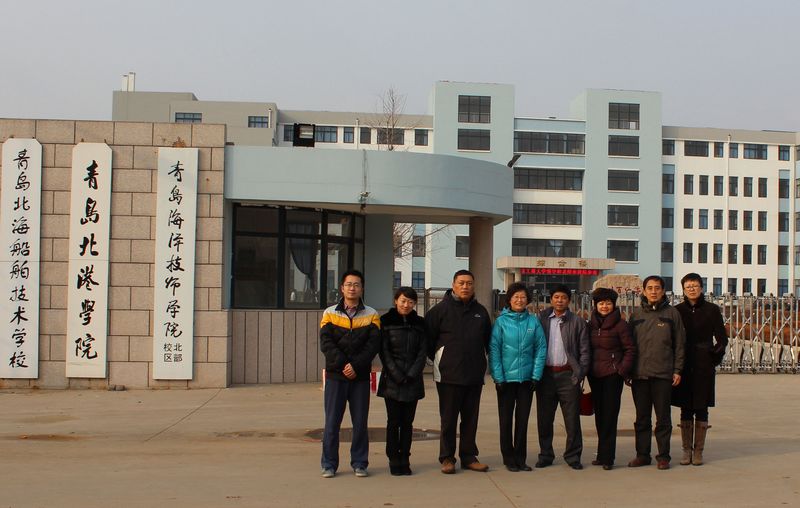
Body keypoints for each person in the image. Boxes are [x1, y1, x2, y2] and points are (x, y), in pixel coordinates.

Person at [426, 270, 493, 474]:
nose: (465, 287)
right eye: (461, 283)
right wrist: (441, 359)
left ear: (474, 286)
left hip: (473, 374)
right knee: (448, 419)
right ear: (453, 284)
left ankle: (469, 456)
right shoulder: (439, 311)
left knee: (470, 419)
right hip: (448, 374)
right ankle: (447, 458)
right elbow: (428, 341)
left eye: (469, 283)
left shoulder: (481, 312)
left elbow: (487, 341)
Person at [319, 270, 381, 478]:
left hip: (360, 378)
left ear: (362, 288)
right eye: (348, 284)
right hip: (336, 377)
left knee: (360, 423)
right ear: (342, 288)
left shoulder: (371, 314)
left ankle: (360, 463)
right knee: (331, 423)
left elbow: (372, 346)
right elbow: (326, 344)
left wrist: (355, 366)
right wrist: (344, 365)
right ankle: (329, 464)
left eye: (356, 284)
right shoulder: (329, 313)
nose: (352, 288)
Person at [627, 275, 686, 470]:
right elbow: (629, 346)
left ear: (663, 291)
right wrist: (628, 370)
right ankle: (642, 455)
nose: (653, 291)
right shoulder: (636, 315)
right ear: (643, 291)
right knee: (642, 419)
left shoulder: (672, 314)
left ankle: (663, 456)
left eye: (657, 288)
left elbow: (680, 344)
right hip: (640, 375)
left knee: (663, 419)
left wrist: (677, 369)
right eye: (650, 288)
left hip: (663, 374)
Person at [489, 282, 547, 472]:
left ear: (527, 300)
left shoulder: (533, 322)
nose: (520, 300)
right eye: (516, 297)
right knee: (505, 421)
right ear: (509, 300)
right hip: (506, 381)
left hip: (526, 381)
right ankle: (508, 458)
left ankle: (521, 459)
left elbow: (541, 349)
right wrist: (498, 378)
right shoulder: (501, 322)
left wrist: (536, 376)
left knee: (522, 421)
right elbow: (494, 350)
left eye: (523, 297)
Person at [673, 273, 728, 466]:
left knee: (702, 407)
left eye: (695, 286)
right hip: (684, 363)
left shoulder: (712, 310)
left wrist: (712, 358)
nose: (692, 289)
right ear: (683, 289)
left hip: (704, 364)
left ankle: (698, 451)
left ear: (701, 288)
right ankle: (686, 450)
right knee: (685, 408)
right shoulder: (677, 311)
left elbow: (722, 339)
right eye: (688, 286)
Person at [535, 285, 590, 470]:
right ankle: (545, 454)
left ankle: (573, 456)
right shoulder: (541, 319)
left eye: (564, 297)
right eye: (556, 297)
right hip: (546, 375)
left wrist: (579, 373)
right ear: (551, 299)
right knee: (544, 419)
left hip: (568, 376)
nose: (560, 300)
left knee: (572, 419)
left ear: (569, 301)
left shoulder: (577, 321)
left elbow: (584, 351)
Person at [377, 287, 428, 476]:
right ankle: (393, 458)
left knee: (408, 423)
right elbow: (384, 351)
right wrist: (397, 374)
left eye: (410, 302)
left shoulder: (420, 323)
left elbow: (422, 352)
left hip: (413, 380)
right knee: (393, 422)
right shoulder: (385, 321)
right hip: (392, 380)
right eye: (403, 301)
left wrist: (412, 374)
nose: (406, 305)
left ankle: (405, 458)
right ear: (396, 300)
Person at [586, 287, 636, 470]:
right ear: (595, 305)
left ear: (613, 305)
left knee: (609, 415)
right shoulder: (590, 325)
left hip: (612, 376)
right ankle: (601, 454)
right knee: (599, 415)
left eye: (608, 303)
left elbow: (630, 349)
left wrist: (621, 370)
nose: (604, 306)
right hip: (595, 375)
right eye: (601, 303)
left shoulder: (621, 325)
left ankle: (608, 457)